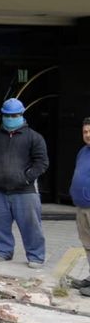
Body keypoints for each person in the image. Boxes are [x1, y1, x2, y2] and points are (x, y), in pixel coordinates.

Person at [0, 97, 49, 268]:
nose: (11, 118)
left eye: (15, 115)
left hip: (25, 191)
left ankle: (36, 256)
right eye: (7, 115)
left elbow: (42, 162)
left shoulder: (34, 137)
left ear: (22, 114)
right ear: (3, 115)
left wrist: (27, 178)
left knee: (31, 225)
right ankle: (3, 251)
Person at [69, 118, 90, 293]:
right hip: (82, 206)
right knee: (87, 244)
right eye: (85, 132)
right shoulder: (83, 151)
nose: (88, 135)